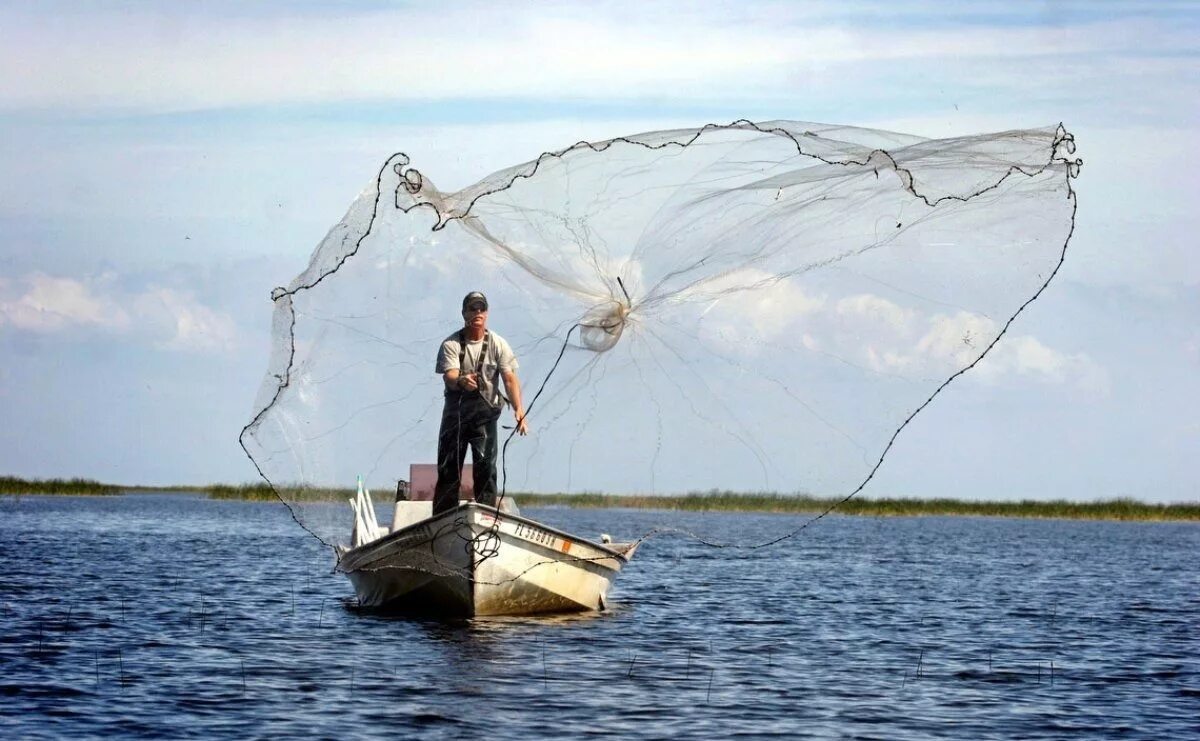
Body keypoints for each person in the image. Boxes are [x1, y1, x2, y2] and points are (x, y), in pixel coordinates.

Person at [433, 291, 528, 515]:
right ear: (463, 312)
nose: (477, 313)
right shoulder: (451, 344)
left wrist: (519, 410)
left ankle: (485, 516)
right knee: (449, 469)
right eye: (472, 308)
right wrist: (460, 381)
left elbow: (509, 378)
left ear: (486, 313)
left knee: (486, 467)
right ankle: (443, 518)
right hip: (455, 417)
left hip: (484, 417)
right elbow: (449, 375)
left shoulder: (498, 343)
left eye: (481, 308)